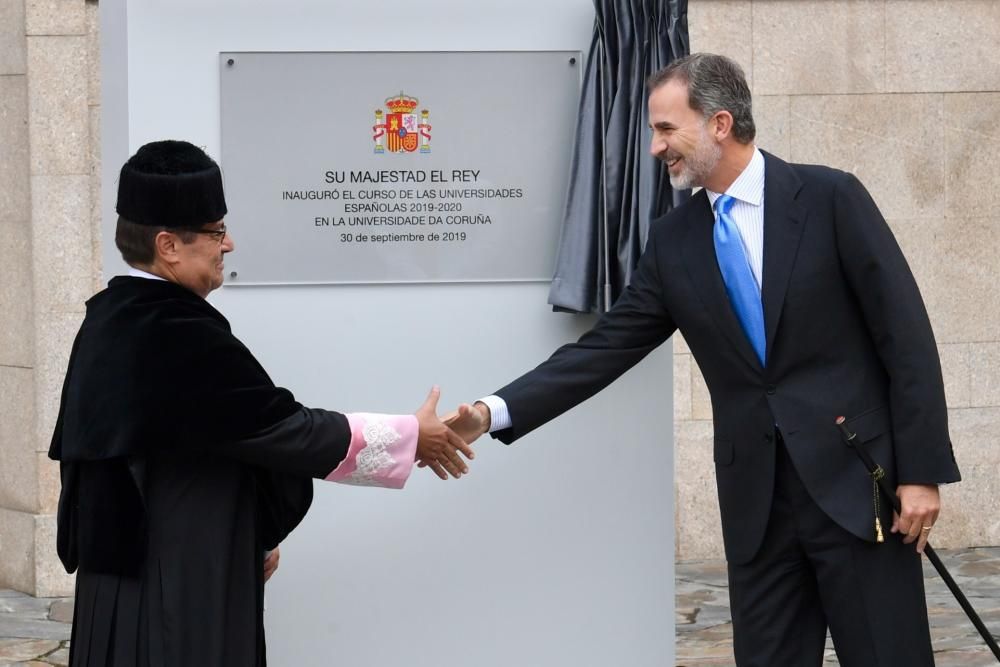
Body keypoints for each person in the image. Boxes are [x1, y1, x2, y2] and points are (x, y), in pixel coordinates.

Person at [446, 53, 961, 666]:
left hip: (859, 490)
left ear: (720, 122)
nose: (655, 145)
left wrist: (920, 472)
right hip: (758, 508)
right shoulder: (673, 240)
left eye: (666, 129)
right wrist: (491, 411)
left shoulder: (830, 198)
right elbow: (606, 347)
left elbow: (905, 337)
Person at [48, 139, 473, 666]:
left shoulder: (110, 317)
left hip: (119, 579)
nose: (228, 245)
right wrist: (412, 437)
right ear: (168, 245)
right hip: (177, 581)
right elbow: (281, 429)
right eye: (216, 232)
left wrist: (255, 525)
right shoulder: (174, 331)